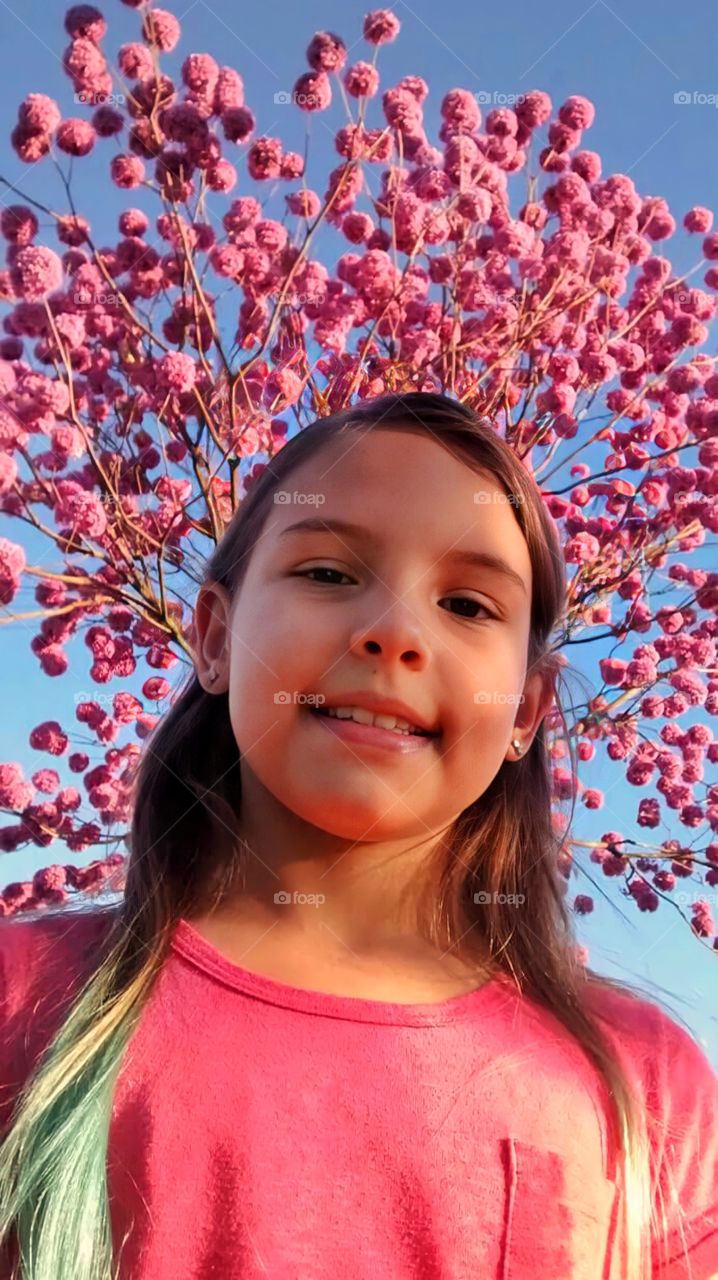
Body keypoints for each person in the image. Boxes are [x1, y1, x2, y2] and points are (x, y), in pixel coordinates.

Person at [0, 392, 716, 1280]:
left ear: (526, 710)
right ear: (215, 639)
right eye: (329, 575)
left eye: (467, 603)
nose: (394, 634)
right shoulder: (28, 1003)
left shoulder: (644, 1090)